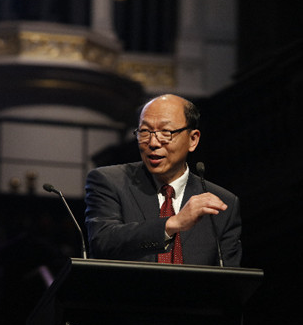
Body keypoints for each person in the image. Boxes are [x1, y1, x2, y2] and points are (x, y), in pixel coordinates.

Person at [84, 94, 242, 267]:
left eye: (166, 132)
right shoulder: (110, 181)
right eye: (144, 132)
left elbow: (229, 281)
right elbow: (103, 242)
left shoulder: (222, 204)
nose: (153, 143)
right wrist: (172, 224)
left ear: (193, 139)